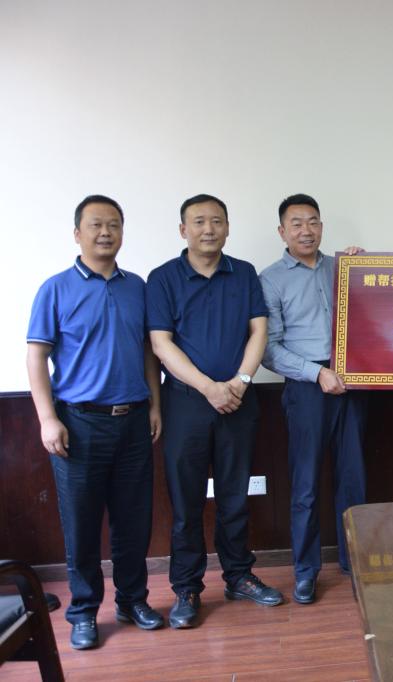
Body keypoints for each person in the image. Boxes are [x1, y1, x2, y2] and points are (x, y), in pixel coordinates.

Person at [26, 195, 164, 649]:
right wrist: (48, 419)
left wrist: (155, 405)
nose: (106, 233)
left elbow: (148, 351)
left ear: (123, 232)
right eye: (96, 225)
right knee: (82, 526)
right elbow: (36, 357)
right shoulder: (55, 289)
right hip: (79, 424)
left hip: (133, 421)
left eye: (114, 225)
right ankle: (83, 612)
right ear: (77, 233)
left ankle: (132, 600)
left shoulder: (137, 286)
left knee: (134, 521)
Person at [147, 193, 281, 629]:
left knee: (234, 496)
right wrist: (208, 388)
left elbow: (259, 331)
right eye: (199, 221)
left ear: (227, 227)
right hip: (186, 403)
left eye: (217, 221)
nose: (209, 229)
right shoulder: (163, 278)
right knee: (186, 501)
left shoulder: (243, 273)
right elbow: (161, 343)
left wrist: (239, 382)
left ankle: (239, 576)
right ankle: (187, 588)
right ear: (183, 229)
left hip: (238, 401)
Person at [259, 194, 367, 604]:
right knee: (304, 483)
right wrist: (316, 373)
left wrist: (366, 270)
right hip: (307, 386)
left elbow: (372, 315)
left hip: (351, 381)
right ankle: (305, 571)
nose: (307, 230)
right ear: (282, 231)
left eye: (314, 222)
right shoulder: (271, 279)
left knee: (353, 477)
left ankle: (355, 564)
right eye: (297, 223)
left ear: (322, 227)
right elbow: (269, 350)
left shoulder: (342, 268)